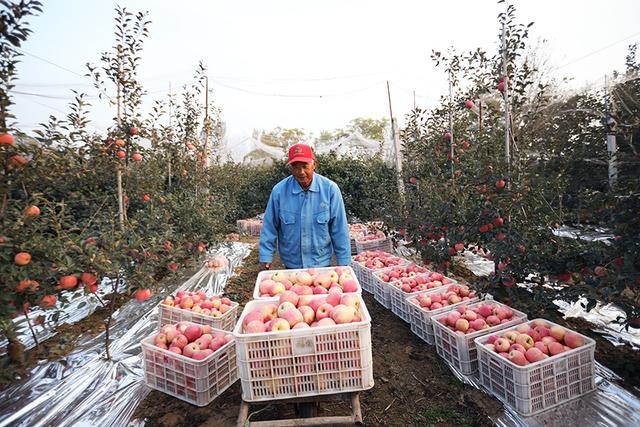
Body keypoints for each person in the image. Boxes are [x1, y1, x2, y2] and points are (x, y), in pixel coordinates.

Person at [259, 143, 351, 269]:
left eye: (305, 166)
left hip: (321, 262)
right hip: (292, 263)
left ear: (314, 164)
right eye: (296, 167)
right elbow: (270, 225)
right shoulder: (279, 191)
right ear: (290, 168)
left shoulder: (330, 189)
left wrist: (343, 260)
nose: (301, 172)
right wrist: (266, 255)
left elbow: (339, 228)